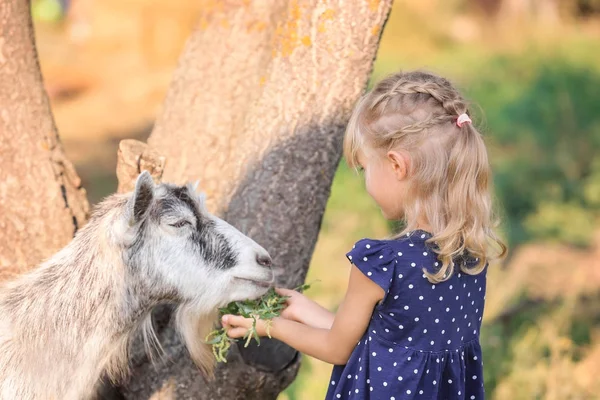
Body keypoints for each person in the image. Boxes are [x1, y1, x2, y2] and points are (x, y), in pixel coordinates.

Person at [222, 70, 507, 399]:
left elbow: (337, 349)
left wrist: (268, 326)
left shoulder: (384, 264)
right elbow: (383, 339)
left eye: (365, 167)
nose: (365, 179)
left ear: (396, 165)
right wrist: (301, 309)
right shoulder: (470, 256)